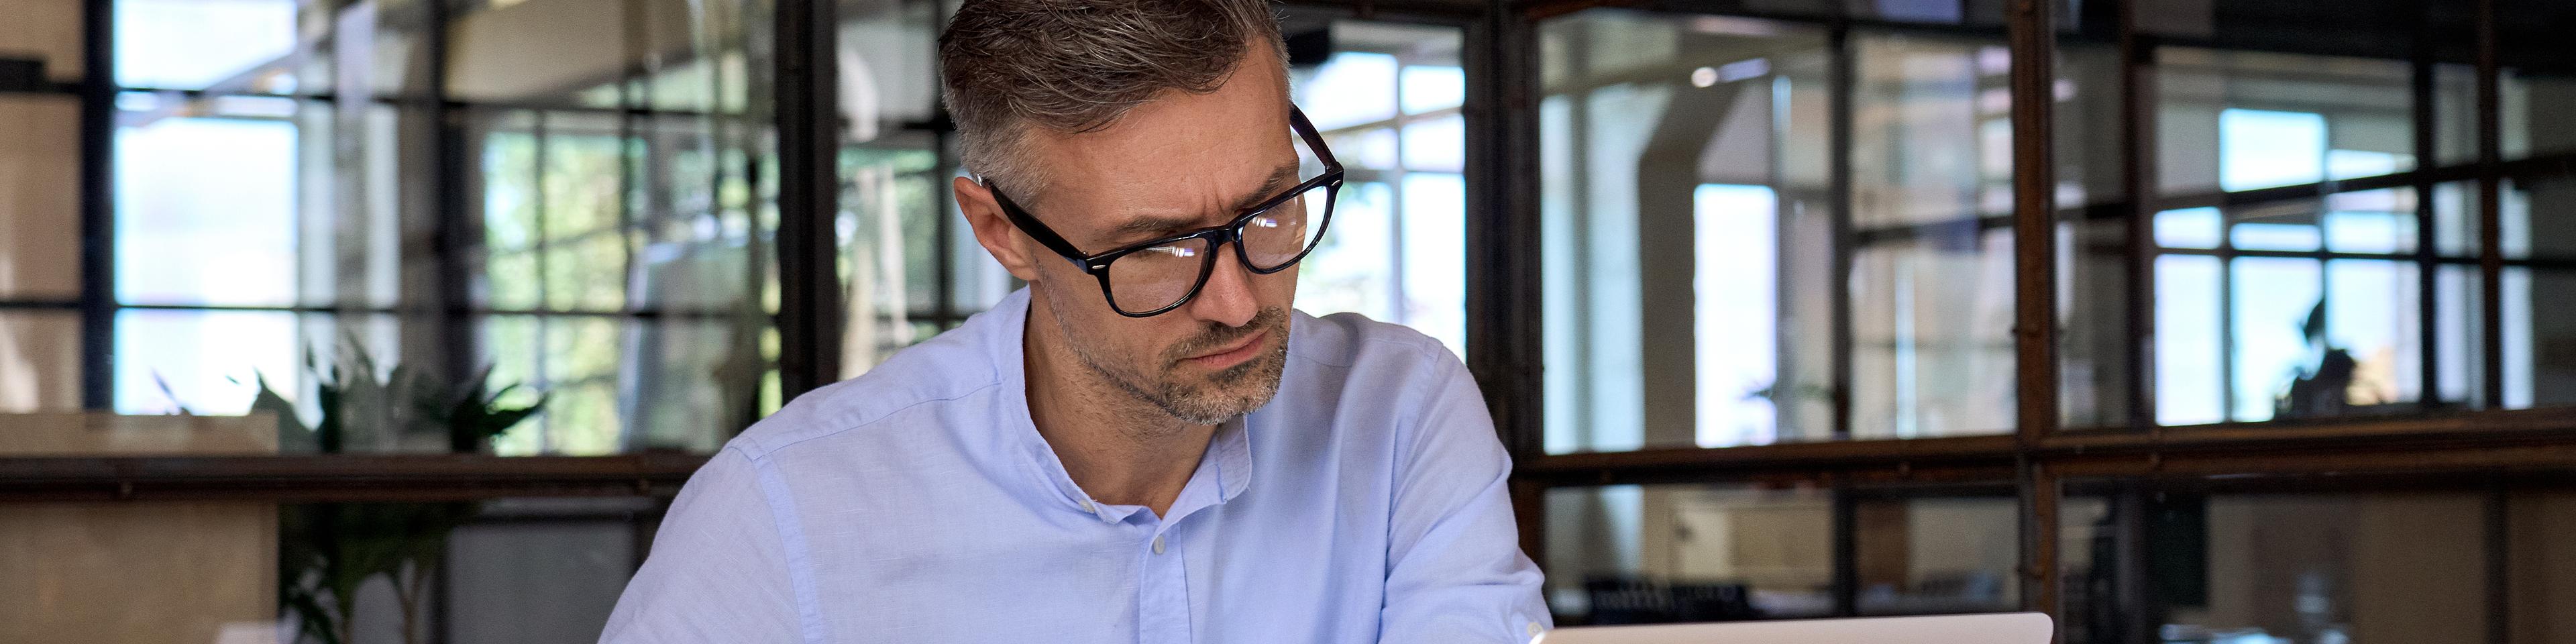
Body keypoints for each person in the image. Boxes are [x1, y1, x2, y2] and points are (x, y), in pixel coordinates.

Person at [595, 1, 1550, 641]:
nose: (1237, 299)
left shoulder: (1400, 417)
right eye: (1154, 248)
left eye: (1268, 208)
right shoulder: (782, 517)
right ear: (1001, 232)